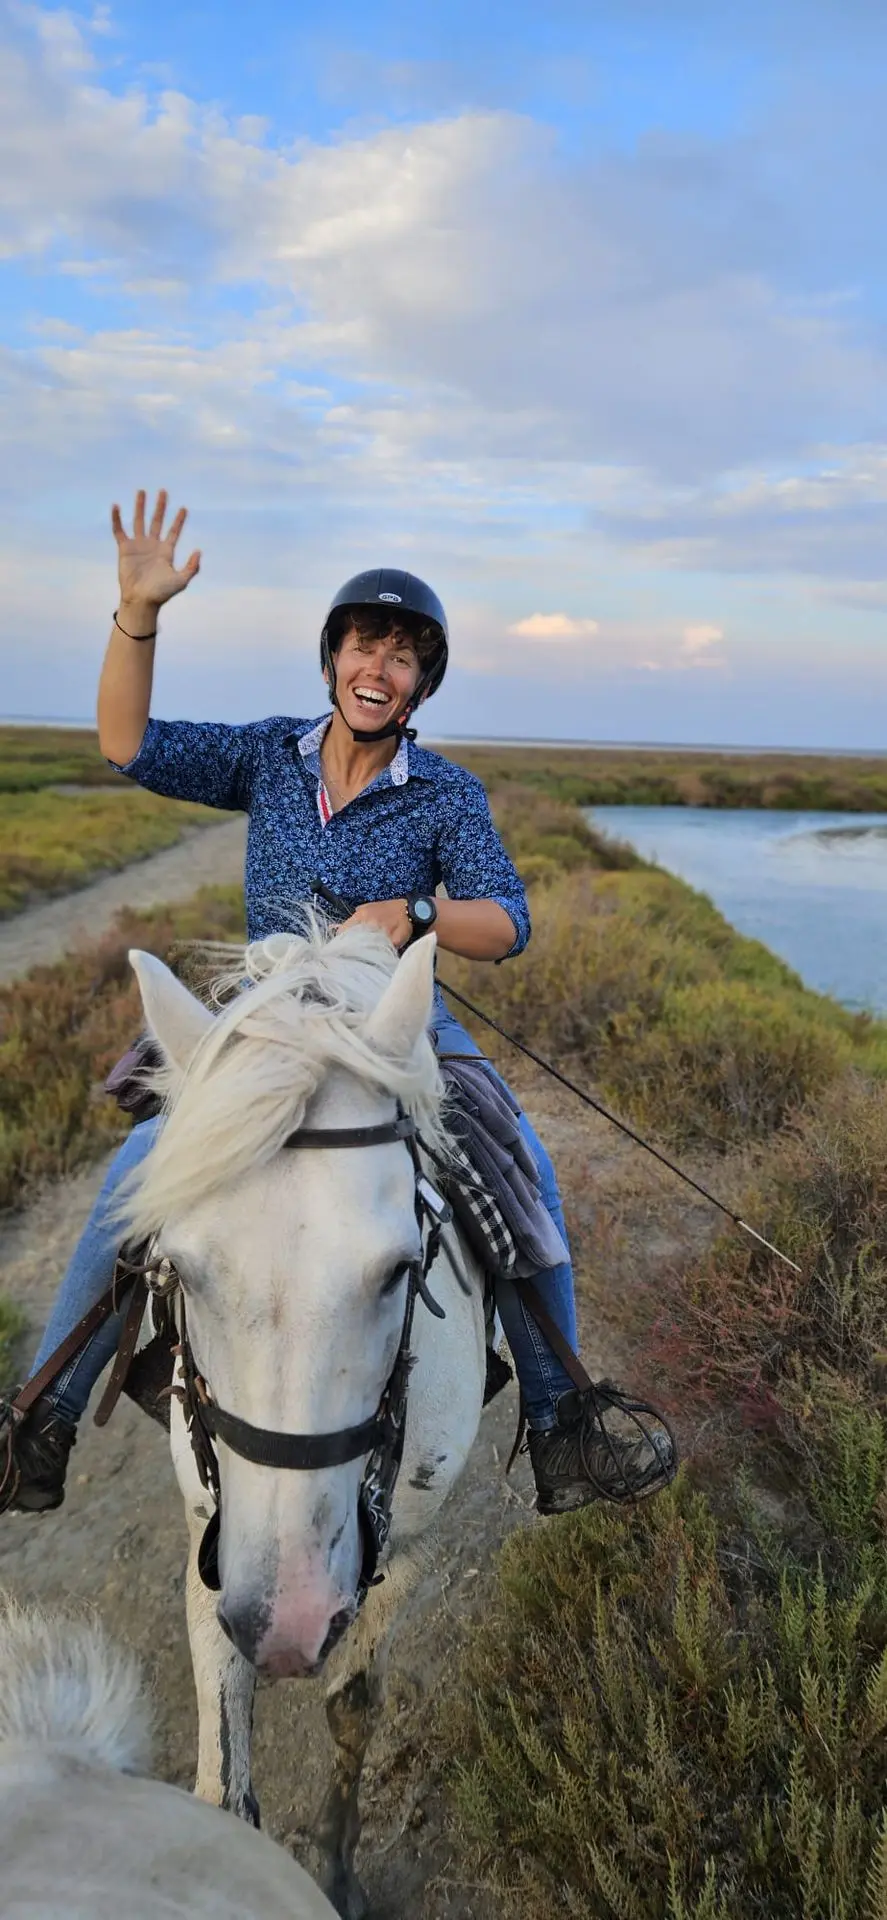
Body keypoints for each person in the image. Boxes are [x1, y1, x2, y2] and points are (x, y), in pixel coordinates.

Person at [0, 490, 673, 1520]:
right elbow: (125, 741)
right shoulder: (266, 754)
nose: (379, 668)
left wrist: (413, 913)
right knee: (136, 1175)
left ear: (421, 684)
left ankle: (561, 1425)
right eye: (365, 645)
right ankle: (41, 1423)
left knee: (520, 1165)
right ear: (332, 660)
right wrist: (139, 615)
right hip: (265, 1018)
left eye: (403, 657)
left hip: (394, 1022)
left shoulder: (444, 793)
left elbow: (507, 922)